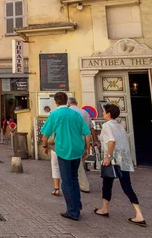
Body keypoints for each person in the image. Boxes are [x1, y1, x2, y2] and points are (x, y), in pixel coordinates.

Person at [41, 92, 91, 221]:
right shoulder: (76, 114)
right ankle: (77, 205)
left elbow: (45, 135)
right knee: (74, 179)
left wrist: (45, 147)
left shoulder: (54, 115)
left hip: (63, 150)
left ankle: (73, 211)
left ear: (56, 102)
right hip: (77, 149)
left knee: (66, 182)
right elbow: (87, 133)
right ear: (66, 101)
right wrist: (87, 148)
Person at [94, 104, 146, 226]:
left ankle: (105, 209)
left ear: (109, 114)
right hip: (123, 160)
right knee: (127, 186)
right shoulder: (119, 125)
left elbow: (111, 141)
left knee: (107, 185)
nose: (103, 113)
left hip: (112, 160)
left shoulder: (107, 125)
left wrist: (107, 156)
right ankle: (138, 213)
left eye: (104, 112)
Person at [68, 96, 96, 193]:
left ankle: (83, 185)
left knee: (77, 164)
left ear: (68, 103)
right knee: (80, 161)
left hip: (74, 139)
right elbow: (90, 128)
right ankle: (80, 183)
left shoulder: (69, 112)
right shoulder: (85, 112)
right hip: (84, 138)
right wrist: (90, 144)